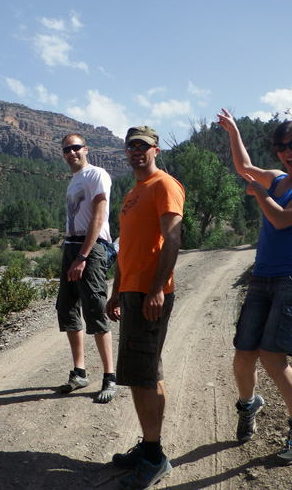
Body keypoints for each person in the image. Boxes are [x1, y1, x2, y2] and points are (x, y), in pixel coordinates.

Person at [217, 109, 292, 465]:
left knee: (272, 357)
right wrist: (234, 131)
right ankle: (249, 404)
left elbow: (281, 220)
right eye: (281, 146)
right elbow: (244, 167)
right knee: (243, 353)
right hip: (263, 277)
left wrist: (258, 195)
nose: (288, 151)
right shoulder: (278, 179)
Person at [105, 126, 184, 490]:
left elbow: (173, 239)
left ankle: (153, 457)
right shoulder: (133, 193)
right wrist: (117, 290)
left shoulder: (164, 185)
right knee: (150, 371)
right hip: (132, 292)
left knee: (139, 376)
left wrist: (156, 290)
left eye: (143, 146)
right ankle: (151, 447)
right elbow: (127, 249)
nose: (137, 151)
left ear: (156, 149)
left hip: (150, 294)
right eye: (131, 146)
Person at [56, 133, 117, 403]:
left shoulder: (96, 174)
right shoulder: (73, 181)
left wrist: (83, 256)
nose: (72, 153)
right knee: (67, 308)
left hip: (89, 249)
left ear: (86, 149)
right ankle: (80, 372)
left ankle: (110, 377)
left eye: (76, 148)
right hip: (71, 246)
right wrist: (73, 253)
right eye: (67, 149)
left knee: (95, 307)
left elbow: (99, 216)